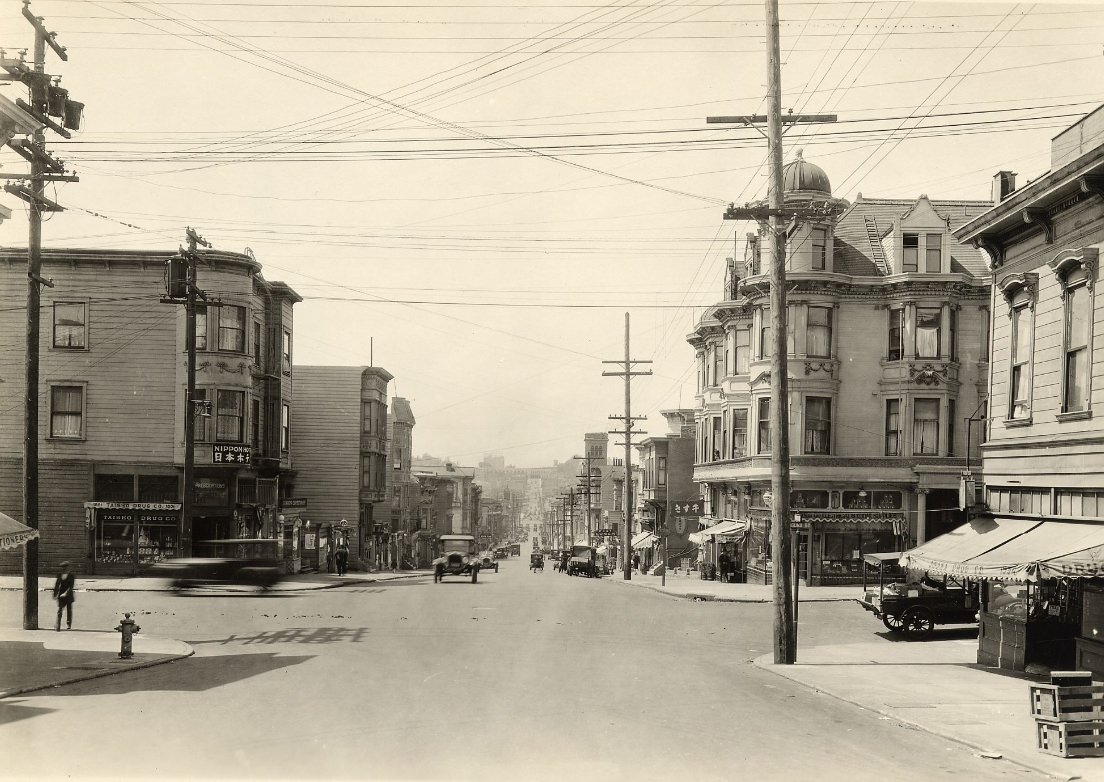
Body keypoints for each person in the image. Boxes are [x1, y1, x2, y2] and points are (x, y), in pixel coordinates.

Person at [53, 562, 75, 631]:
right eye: (63, 568)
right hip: (61, 595)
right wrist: (55, 594)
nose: (64, 570)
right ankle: (58, 625)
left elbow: (71, 587)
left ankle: (68, 624)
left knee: (69, 610)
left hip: (68, 596)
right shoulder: (59, 575)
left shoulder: (71, 576)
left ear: (68, 568)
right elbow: (57, 585)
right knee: (60, 610)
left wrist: (66, 593)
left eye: (65, 568)